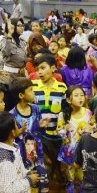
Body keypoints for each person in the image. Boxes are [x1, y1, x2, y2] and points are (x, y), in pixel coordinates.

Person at [9, 78, 53, 193]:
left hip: (37, 155)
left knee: (43, 180)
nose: (34, 93)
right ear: (21, 95)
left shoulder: (35, 109)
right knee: (24, 184)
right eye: (31, 90)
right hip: (22, 158)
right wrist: (18, 132)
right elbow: (12, 137)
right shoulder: (12, 115)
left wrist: (41, 125)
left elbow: (37, 130)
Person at [56, 86, 93, 193]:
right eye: (76, 95)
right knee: (70, 180)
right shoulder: (62, 115)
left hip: (84, 154)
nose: (80, 98)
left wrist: (89, 130)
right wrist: (64, 130)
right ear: (69, 99)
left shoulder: (88, 113)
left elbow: (93, 129)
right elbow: (58, 132)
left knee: (84, 179)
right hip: (69, 154)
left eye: (82, 95)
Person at [31, 54, 67, 184]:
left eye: (42, 68)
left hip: (56, 134)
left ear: (53, 68)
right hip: (40, 134)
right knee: (45, 162)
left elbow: (64, 109)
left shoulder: (62, 88)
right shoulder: (33, 87)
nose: (39, 72)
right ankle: (46, 188)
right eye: (37, 69)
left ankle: (60, 176)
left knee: (58, 158)